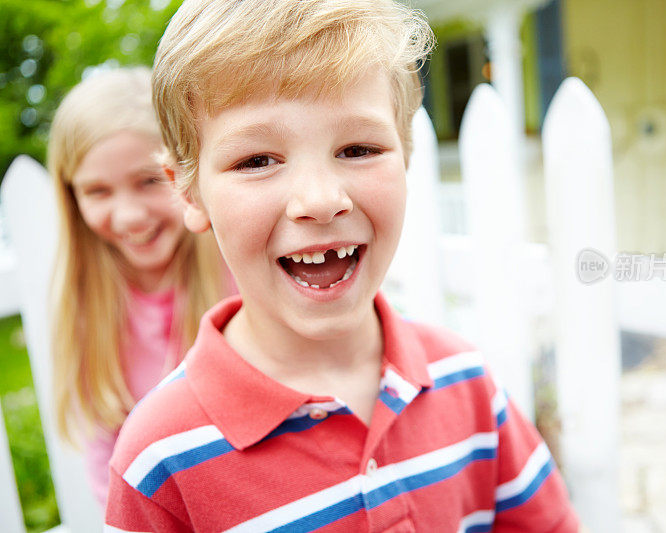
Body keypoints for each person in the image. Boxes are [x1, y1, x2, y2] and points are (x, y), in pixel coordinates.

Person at [105, 0, 580, 530]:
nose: (320, 199)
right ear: (188, 193)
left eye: (358, 148)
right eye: (257, 161)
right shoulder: (161, 460)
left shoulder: (465, 381)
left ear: (406, 156)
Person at [48, 67, 229, 507]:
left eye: (149, 181)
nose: (129, 216)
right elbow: (104, 459)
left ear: (184, 171)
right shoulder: (88, 306)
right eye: (98, 191)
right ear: (73, 199)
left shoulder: (237, 274)